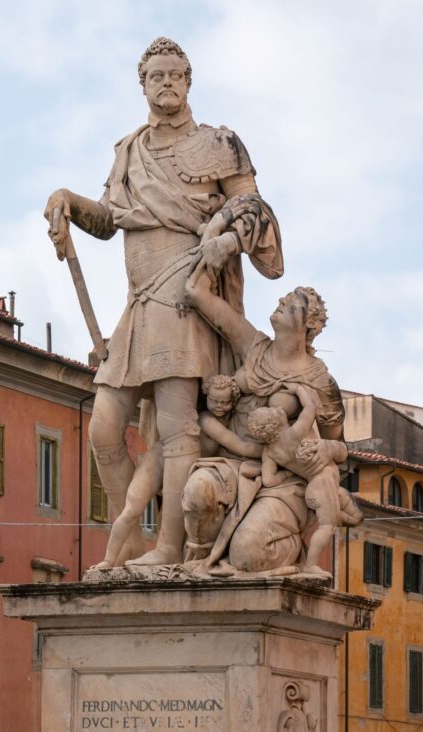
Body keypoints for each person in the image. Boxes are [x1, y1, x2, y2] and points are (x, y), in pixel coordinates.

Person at [44, 37, 283, 568]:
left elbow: (253, 207)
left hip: (186, 302)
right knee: (104, 428)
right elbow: (109, 220)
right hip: (138, 304)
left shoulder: (219, 143)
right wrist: (69, 201)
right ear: (144, 83)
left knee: (179, 428)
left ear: (189, 82)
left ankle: (171, 549)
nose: (168, 83)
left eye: (177, 75)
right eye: (158, 76)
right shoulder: (129, 150)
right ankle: (131, 542)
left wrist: (228, 237)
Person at [182, 280, 347, 573]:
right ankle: (197, 562)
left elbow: (341, 447)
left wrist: (323, 450)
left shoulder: (320, 380)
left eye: (293, 302)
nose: (282, 299)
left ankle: (290, 551)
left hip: (284, 482)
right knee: (197, 493)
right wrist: (217, 241)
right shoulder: (254, 345)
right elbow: (198, 294)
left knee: (247, 554)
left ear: (307, 324)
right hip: (232, 464)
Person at [103, 374, 261, 567]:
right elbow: (241, 447)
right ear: (206, 398)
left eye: (225, 402)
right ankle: (108, 561)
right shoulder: (205, 420)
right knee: (131, 510)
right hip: (158, 462)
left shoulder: (231, 422)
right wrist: (275, 453)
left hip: (180, 471)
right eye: (214, 401)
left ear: (233, 401)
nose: (219, 406)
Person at [245, 383, 362, 577]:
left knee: (356, 518)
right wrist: (298, 389)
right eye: (274, 410)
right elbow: (310, 408)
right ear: (276, 421)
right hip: (321, 485)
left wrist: (287, 474)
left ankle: (329, 517)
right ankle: (310, 565)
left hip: (319, 488)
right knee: (327, 527)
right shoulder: (294, 433)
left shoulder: (270, 452)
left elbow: (269, 480)